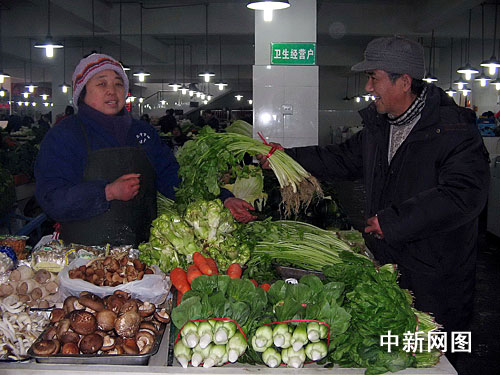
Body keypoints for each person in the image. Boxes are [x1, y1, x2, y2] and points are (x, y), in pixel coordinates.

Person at [257, 36, 490, 364]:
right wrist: (287, 157)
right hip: (391, 263)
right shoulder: (382, 128)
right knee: (396, 354)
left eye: (374, 77)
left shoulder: (454, 132)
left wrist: (394, 221)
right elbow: (341, 158)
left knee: (437, 356)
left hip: (436, 274)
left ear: (404, 81)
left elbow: (462, 195)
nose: (368, 87)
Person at [35, 53, 254, 246]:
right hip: (82, 255)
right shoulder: (65, 135)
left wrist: (224, 199)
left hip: (140, 253)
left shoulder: (143, 132)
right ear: (82, 93)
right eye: (101, 84)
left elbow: (176, 180)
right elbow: (52, 199)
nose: (112, 91)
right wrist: (106, 192)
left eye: (118, 84)